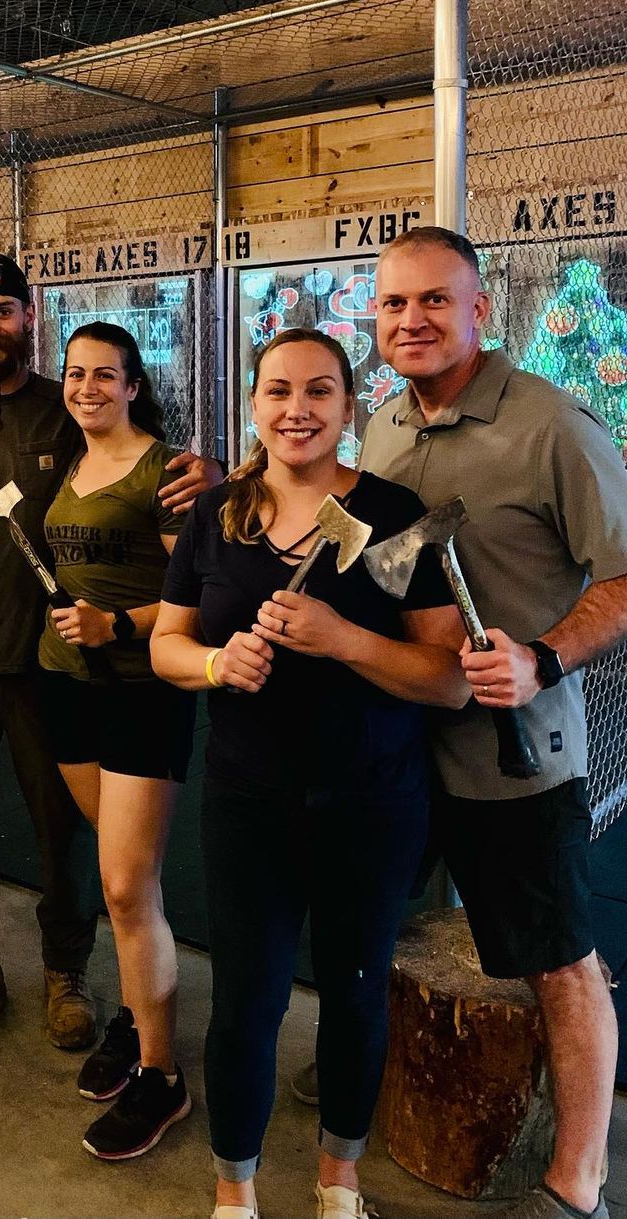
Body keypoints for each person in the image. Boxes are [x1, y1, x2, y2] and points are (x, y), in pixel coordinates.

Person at [151, 327, 468, 1219]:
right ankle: (235, 1191)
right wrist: (217, 666)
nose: (298, 410)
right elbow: (167, 644)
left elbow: (447, 680)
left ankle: (340, 1180)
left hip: (374, 799)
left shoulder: (395, 516)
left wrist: (346, 640)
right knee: (246, 1002)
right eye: (279, 391)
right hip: (250, 800)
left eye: (319, 391)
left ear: (347, 405)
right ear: (253, 405)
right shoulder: (217, 519)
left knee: (356, 997)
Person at [0, 251, 220, 1059]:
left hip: (53, 669)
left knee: (64, 836)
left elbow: (157, 469)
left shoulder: (63, 411)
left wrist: (209, 473)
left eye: (4, 311)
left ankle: (67, 974)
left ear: (27, 318)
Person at [361, 226, 627, 1219]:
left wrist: (542, 655)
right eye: (393, 303)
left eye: (435, 300)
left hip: (518, 760)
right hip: (403, 741)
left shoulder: (551, 425)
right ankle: (372, 1064)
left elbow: (626, 576)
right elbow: (380, 564)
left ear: (481, 311)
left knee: (561, 960)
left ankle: (578, 1182)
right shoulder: (384, 428)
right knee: (379, 921)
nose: (412, 319)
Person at [38, 321, 196, 1160]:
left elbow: (190, 594)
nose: (88, 387)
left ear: (134, 384)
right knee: (124, 877)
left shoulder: (162, 470)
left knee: (129, 886)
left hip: (141, 691)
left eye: (105, 375)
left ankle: (163, 1077)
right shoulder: (70, 459)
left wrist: (116, 623)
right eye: (75, 374)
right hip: (67, 688)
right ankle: (139, 1017)